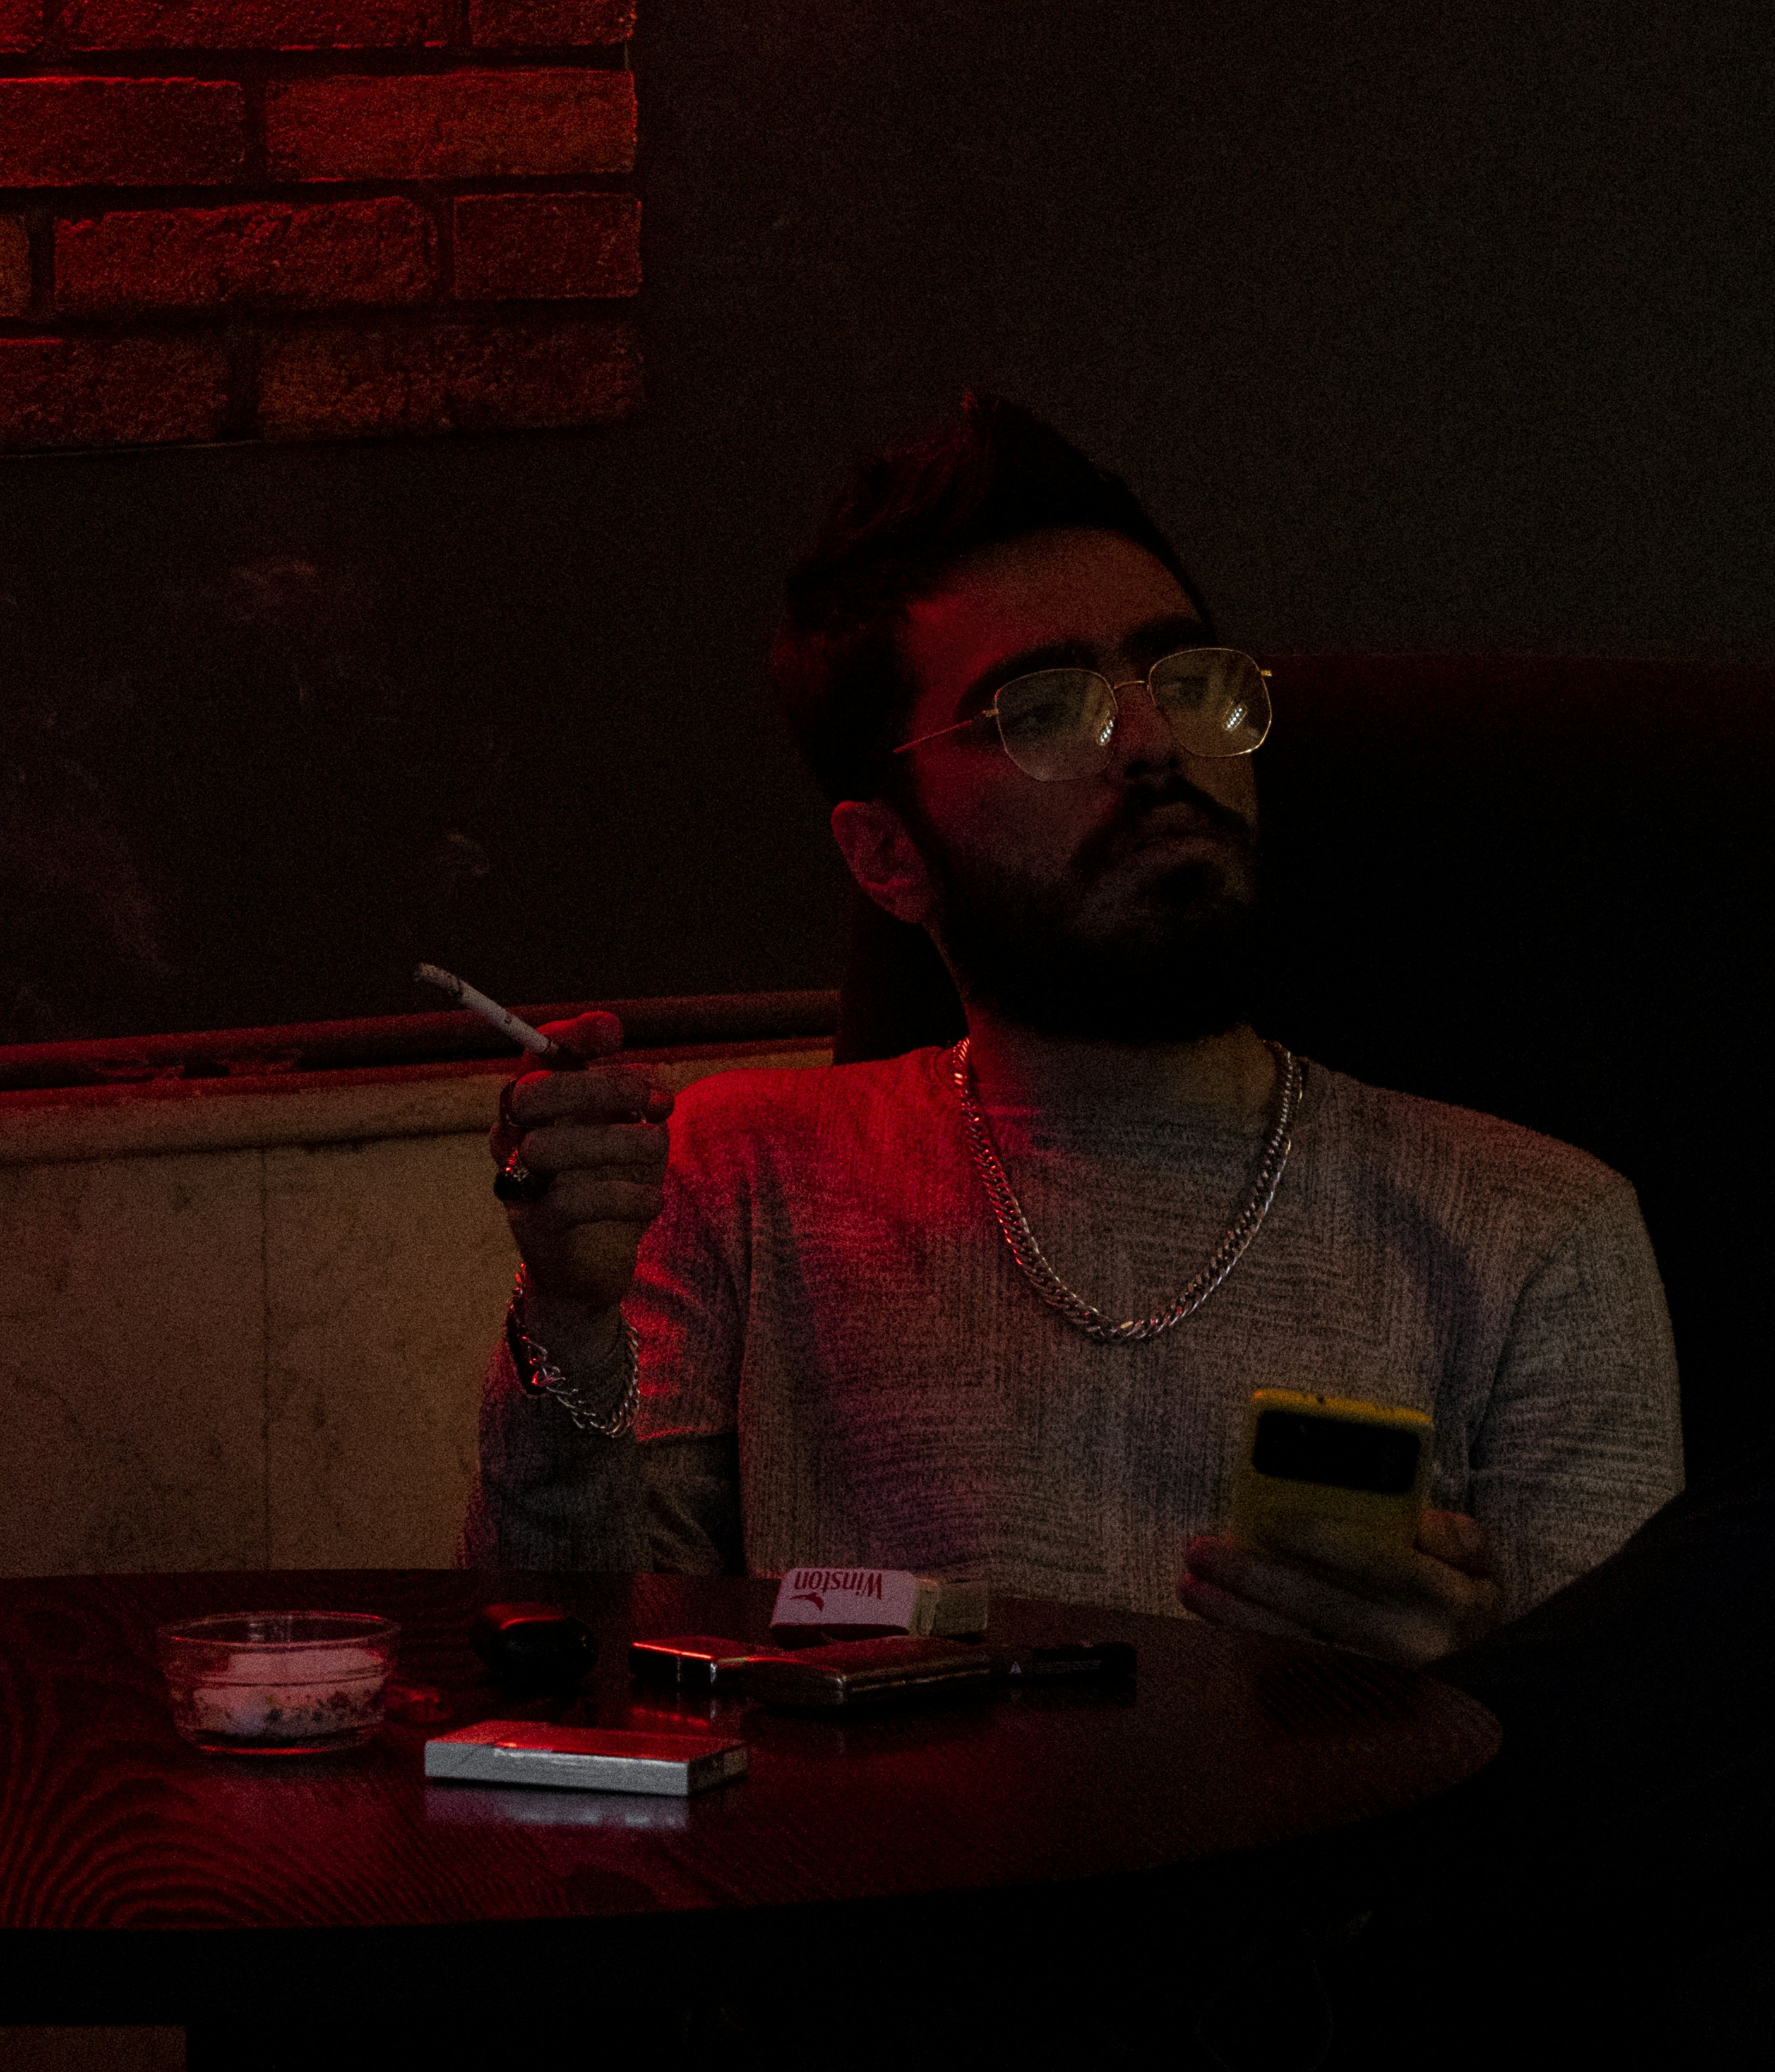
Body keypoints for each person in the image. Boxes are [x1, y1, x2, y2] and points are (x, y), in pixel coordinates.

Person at [463, 395, 1683, 1656]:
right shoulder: (742, 1170)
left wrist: (1478, 1683)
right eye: (1043, 712)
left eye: (1186, 682)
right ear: (886, 856)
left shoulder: (1529, 1232)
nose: (1155, 743)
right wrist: (565, 1319)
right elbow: (578, 1663)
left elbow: (1645, 1782)